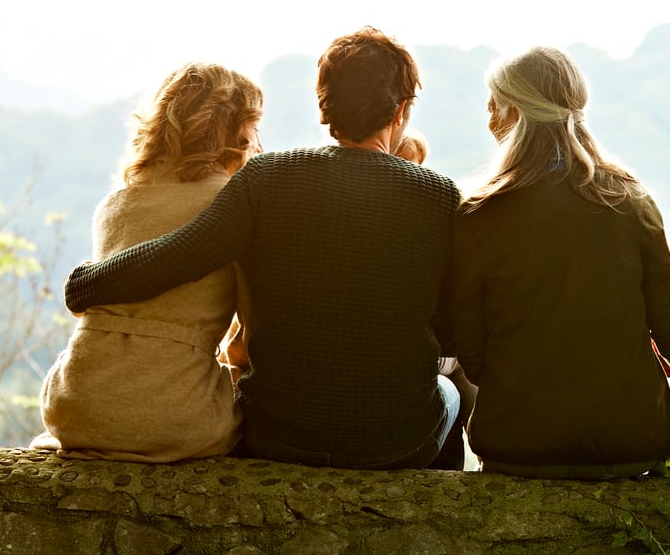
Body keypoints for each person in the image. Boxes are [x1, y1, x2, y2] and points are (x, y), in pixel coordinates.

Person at [63, 28, 466, 470]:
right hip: (393, 442)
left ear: (323, 104)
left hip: (277, 435)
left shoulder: (266, 178)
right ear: (402, 109)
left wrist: (85, 284)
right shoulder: (440, 196)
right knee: (448, 391)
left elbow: (177, 256)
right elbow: (453, 327)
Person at [445, 47, 670, 479]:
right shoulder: (631, 202)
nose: (488, 117)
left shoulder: (478, 213)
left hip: (514, 442)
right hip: (632, 442)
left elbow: (470, 350)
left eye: (492, 104)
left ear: (512, 113)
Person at [31, 64, 260, 462]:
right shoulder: (233, 203)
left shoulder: (114, 205)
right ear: (238, 130)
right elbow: (251, 331)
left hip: (73, 405)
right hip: (176, 416)